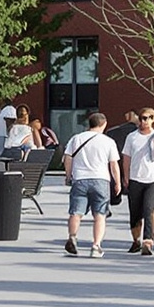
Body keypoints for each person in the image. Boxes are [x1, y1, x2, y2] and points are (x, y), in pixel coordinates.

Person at [60, 109, 122, 257]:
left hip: (80, 179)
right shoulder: (108, 142)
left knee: (76, 212)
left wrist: (69, 176)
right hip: (101, 180)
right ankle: (96, 246)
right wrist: (118, 183)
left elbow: (68, 158)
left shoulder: (77, 138)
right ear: (104, 124)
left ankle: (73, 237)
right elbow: (114, 164)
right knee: (100, 215)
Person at [120, 108, 154, 256]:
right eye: (143, 118)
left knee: (149, 208)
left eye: (149, 118)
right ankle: (136, 240)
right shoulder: (132, 137)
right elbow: (126, 157)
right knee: (135, 212)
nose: (145, 121)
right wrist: (126, 176)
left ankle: (148, 241)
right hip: (136, 178)